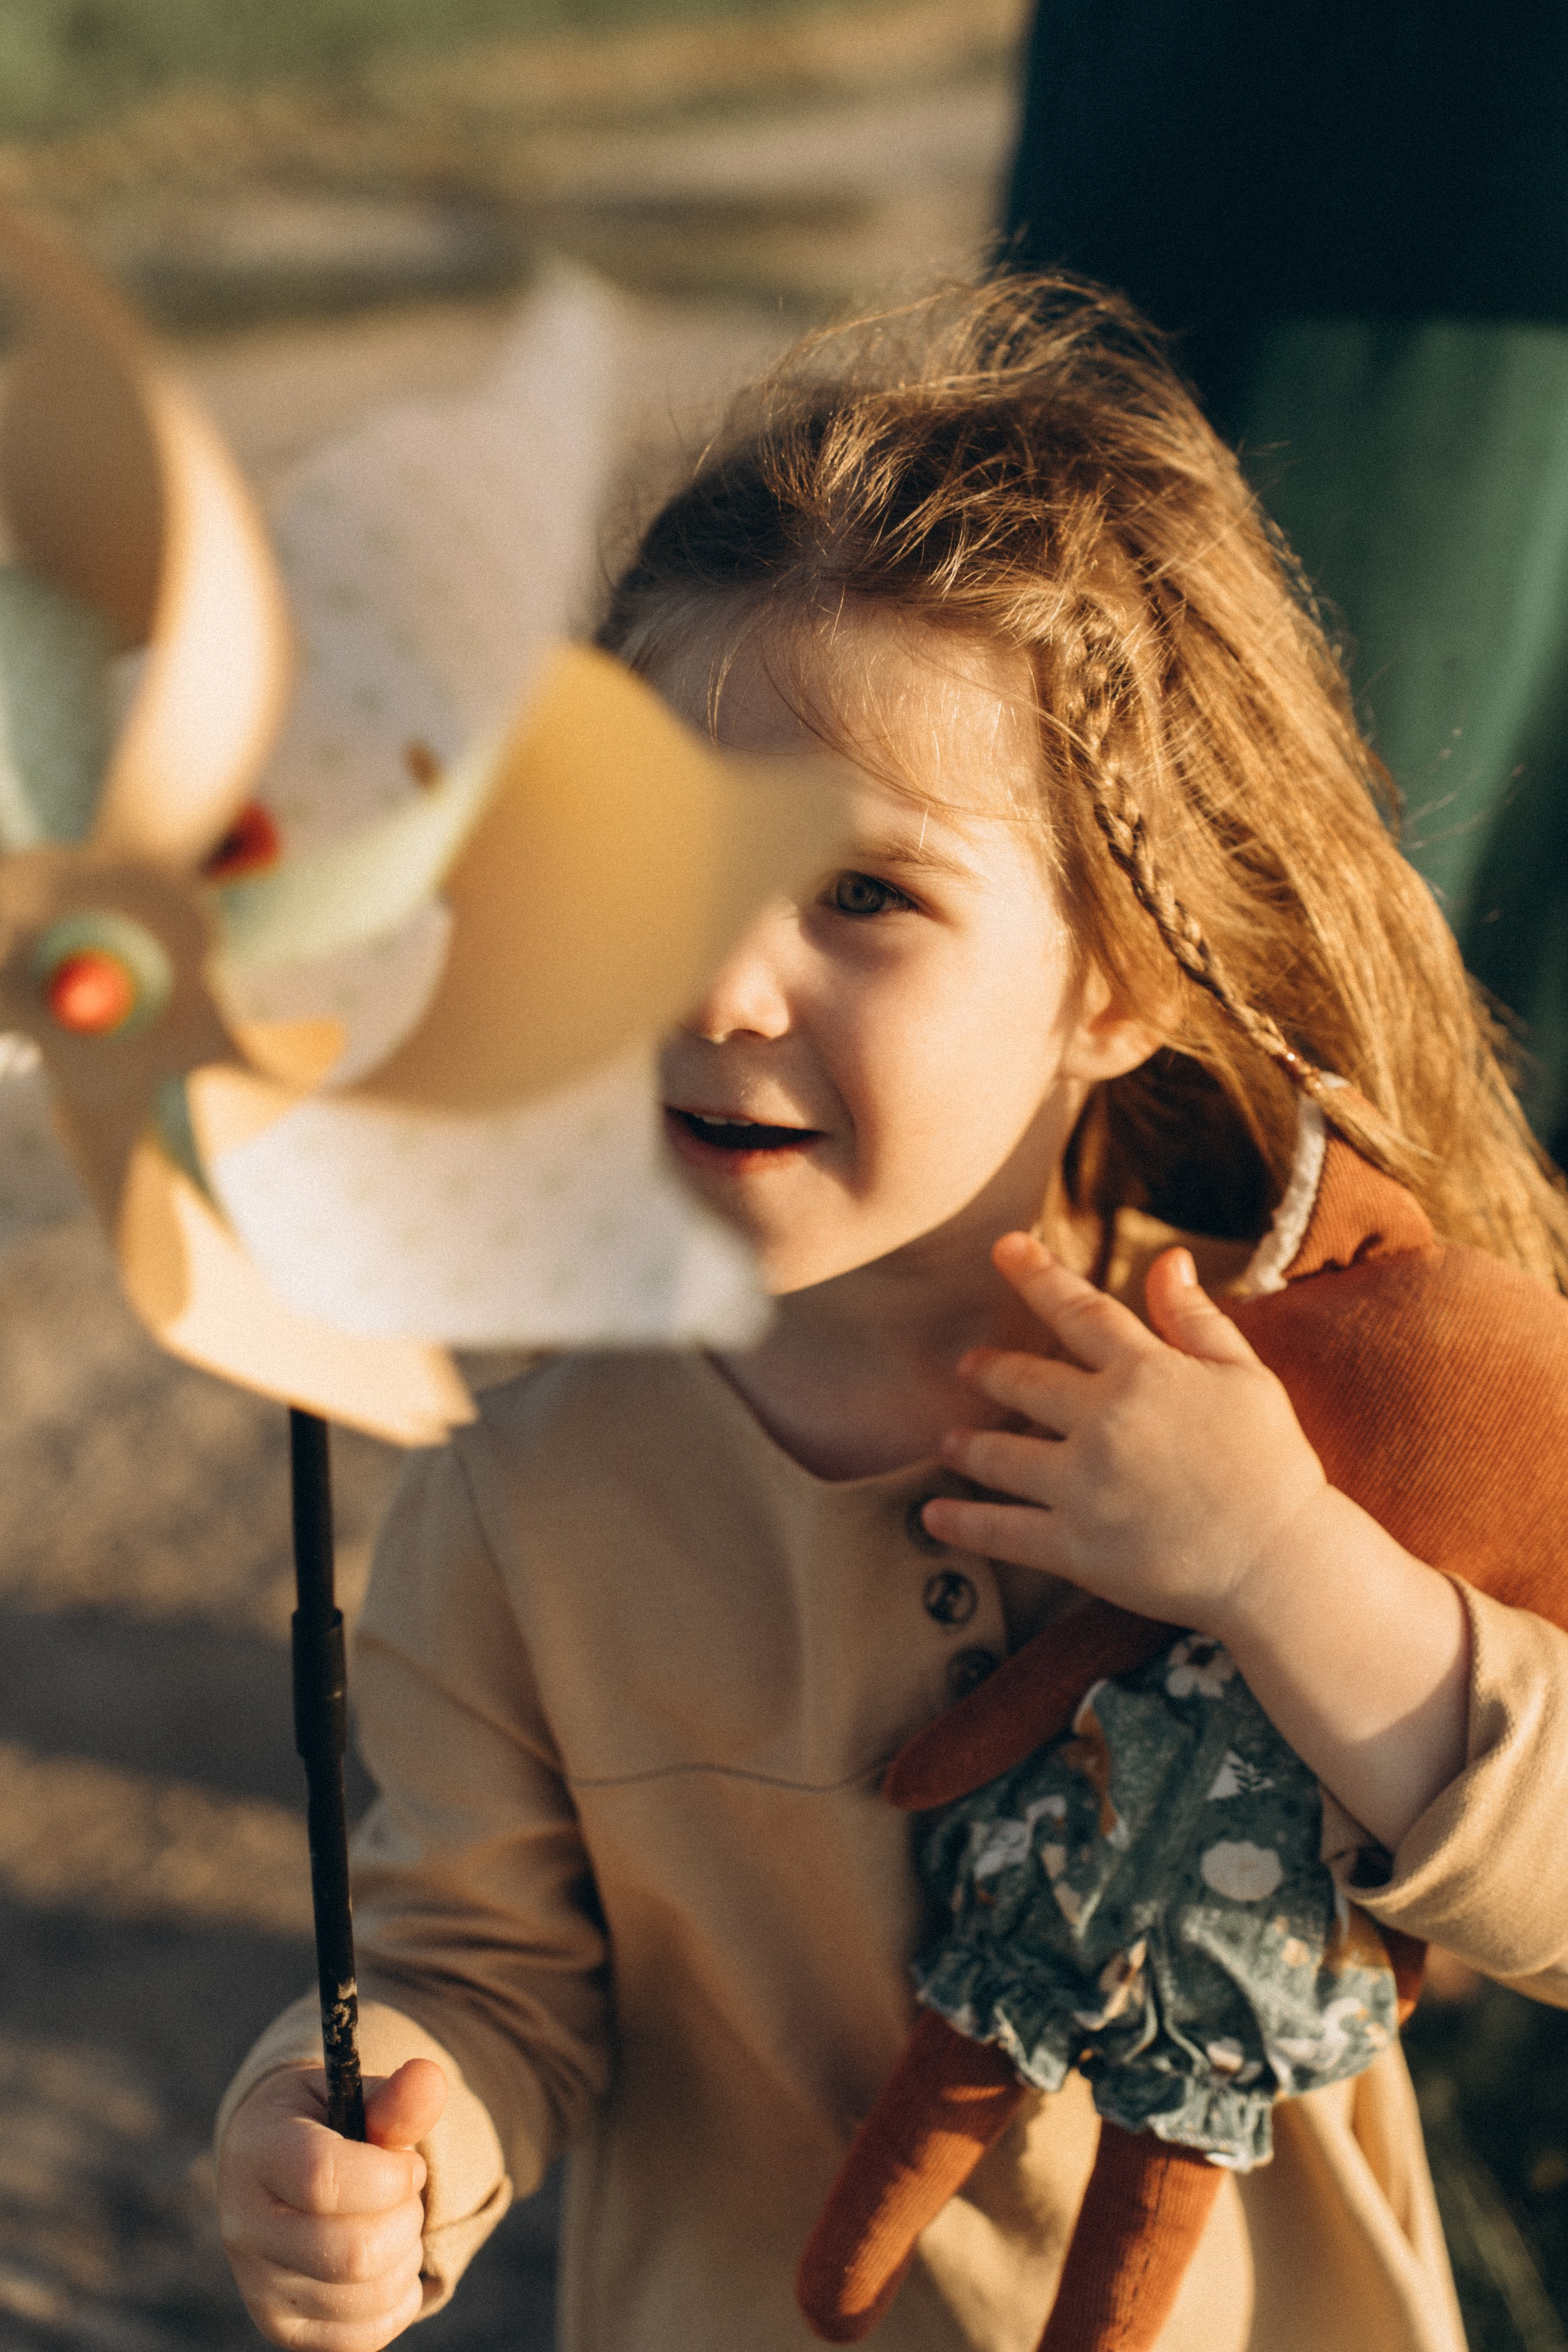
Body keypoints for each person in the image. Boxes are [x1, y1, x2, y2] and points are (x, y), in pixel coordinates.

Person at [213, 277, 1568, 2352]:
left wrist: (1285, 1568)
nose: (722, 988)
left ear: (1118, 980)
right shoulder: (521, 1513)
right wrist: (380, 2151)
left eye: (864, 895)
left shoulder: (1306, 1389)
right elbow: (480, 1985)